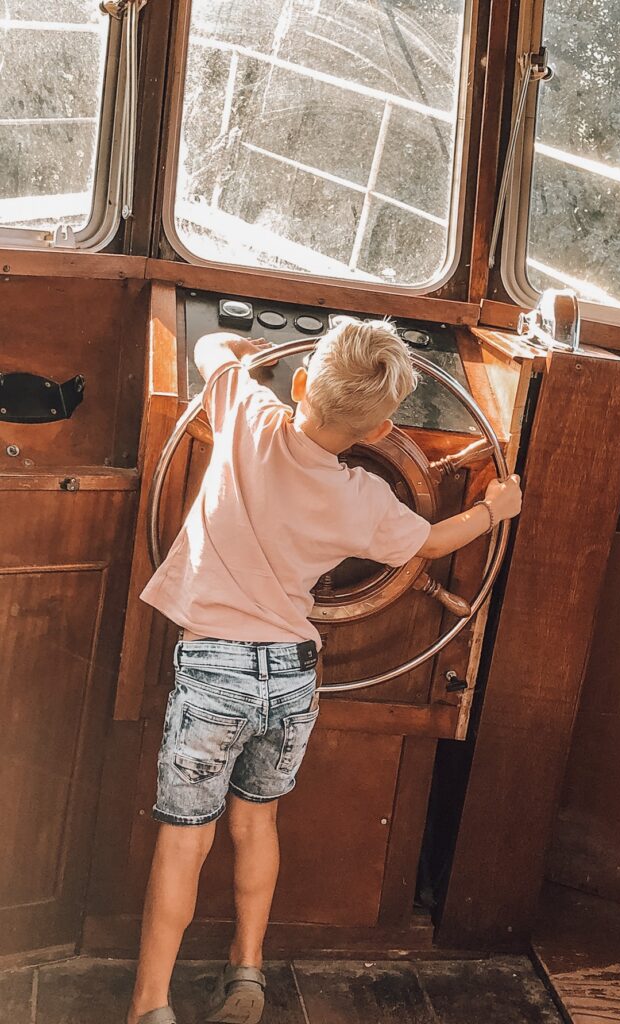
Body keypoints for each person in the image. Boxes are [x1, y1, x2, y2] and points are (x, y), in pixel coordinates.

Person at [128, 316, 522, 1024]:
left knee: (186, 839)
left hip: (215, 667)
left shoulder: (248, 412)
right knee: (257, 825)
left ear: (302, 381)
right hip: (290, 675)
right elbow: (431, 541)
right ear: (378, 433)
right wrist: (494, 510)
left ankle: (150, 1007)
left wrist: (249, 352)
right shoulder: (365, 499)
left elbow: (208, 348)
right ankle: (246, 970)